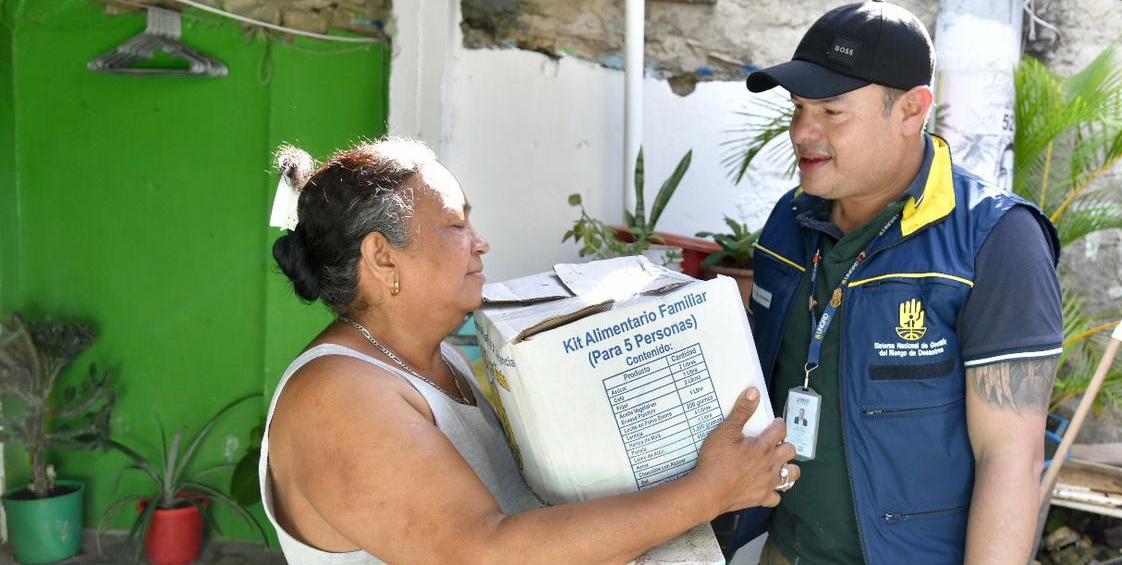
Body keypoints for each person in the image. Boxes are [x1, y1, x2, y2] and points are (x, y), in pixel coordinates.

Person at [259, 138, 801, 564]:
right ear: (381, 257)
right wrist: (708, 491)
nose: (479, 241)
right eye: (454, 224)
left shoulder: (431, 359)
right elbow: (482, 552)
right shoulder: (339, 398)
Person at [730, 2, 1064, 564]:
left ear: (912, 110)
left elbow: (1011, 457)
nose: (802, 132)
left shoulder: (996, 239)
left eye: (832, 111)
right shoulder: (790, 221)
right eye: (798, 108)